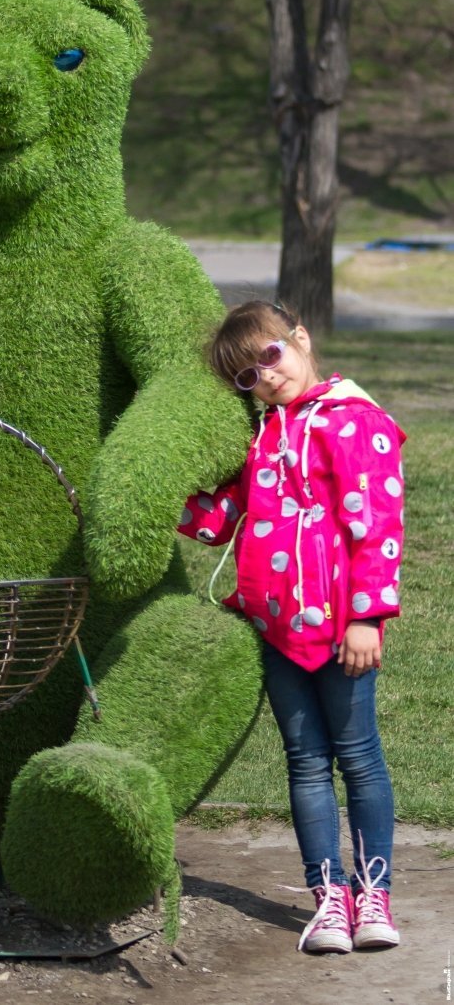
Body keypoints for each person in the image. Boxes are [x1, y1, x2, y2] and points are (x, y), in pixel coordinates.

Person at [177, 299, 404, 956]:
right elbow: (224, 520)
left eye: (270, 357)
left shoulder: (354, 421)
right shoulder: (266, 435)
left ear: (299, 339)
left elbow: (378, 527)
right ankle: (327, 899)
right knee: (305, 763)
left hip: (341, 636)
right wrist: (162, 499)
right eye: (248, 376)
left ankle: (373, 896)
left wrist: (366, 617)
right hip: (277, 634)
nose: (266, 377)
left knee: (358, 758)